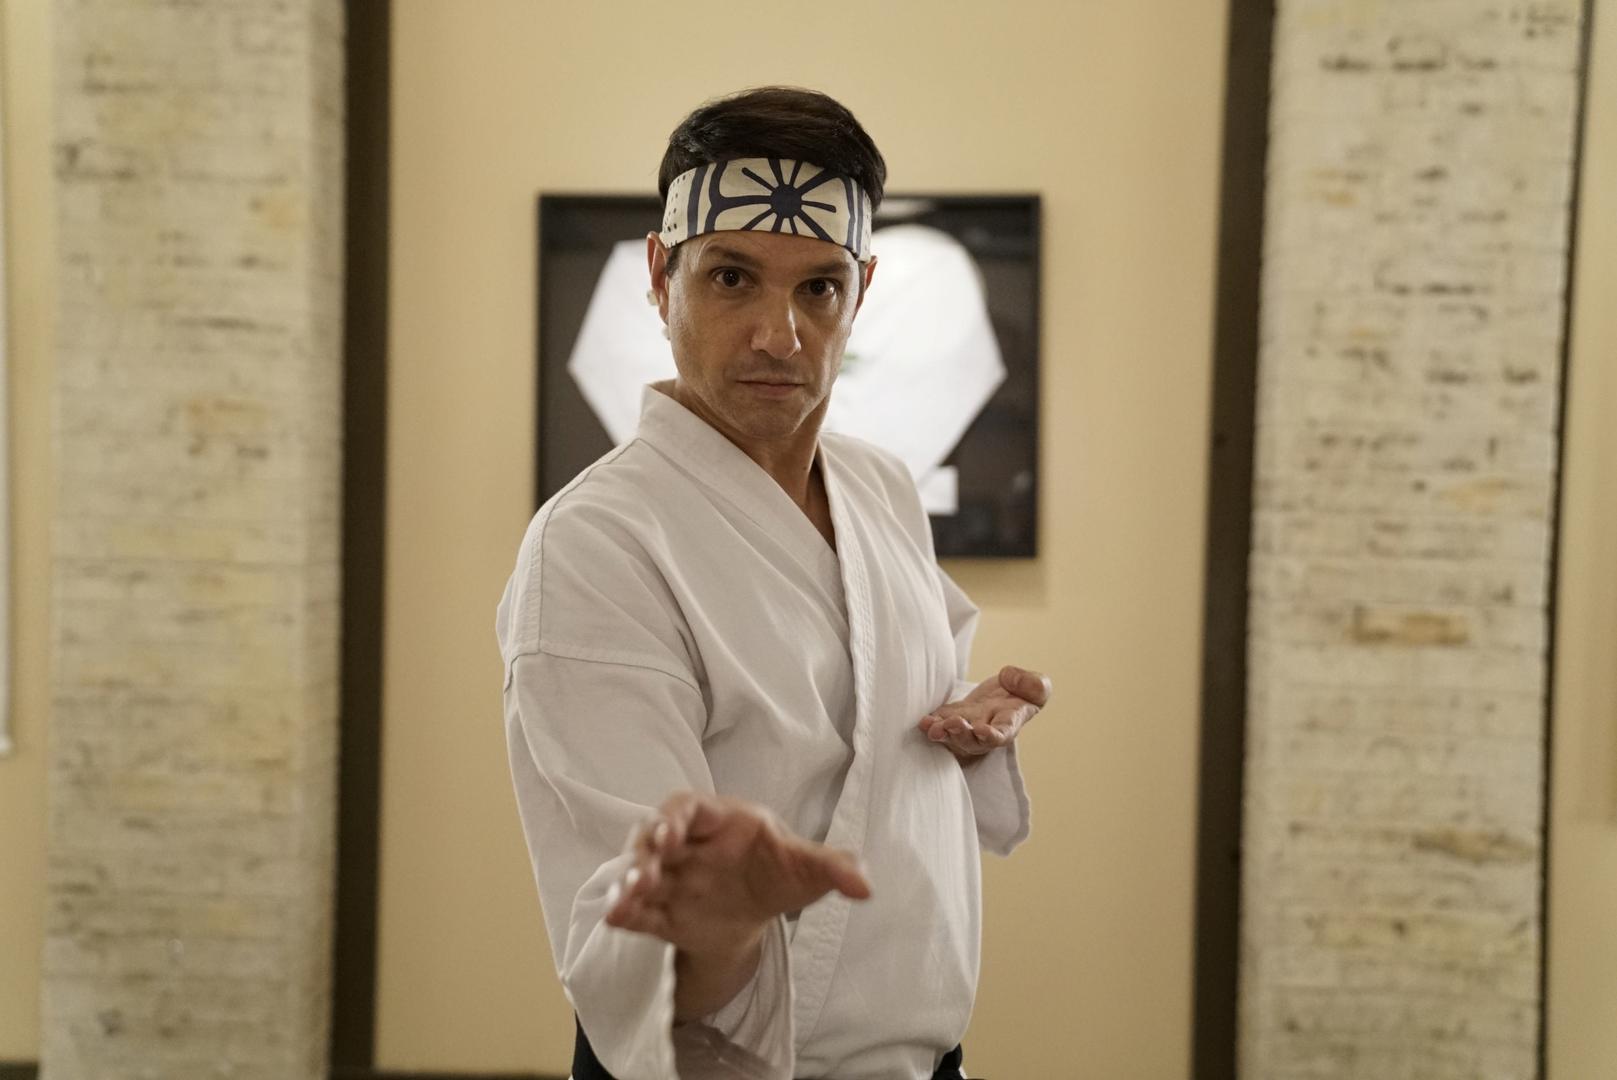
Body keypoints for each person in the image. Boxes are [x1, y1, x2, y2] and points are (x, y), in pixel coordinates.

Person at [497, 86, 1052, 1080]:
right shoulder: (596, 545)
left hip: (925, 1055)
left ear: (861, 291)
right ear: (661, 276)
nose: (778, 334)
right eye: (732, 278)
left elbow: (870, 718)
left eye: (818, 289)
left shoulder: (879, 486)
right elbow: (632, 920)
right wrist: (719, 921)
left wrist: (957, 726)